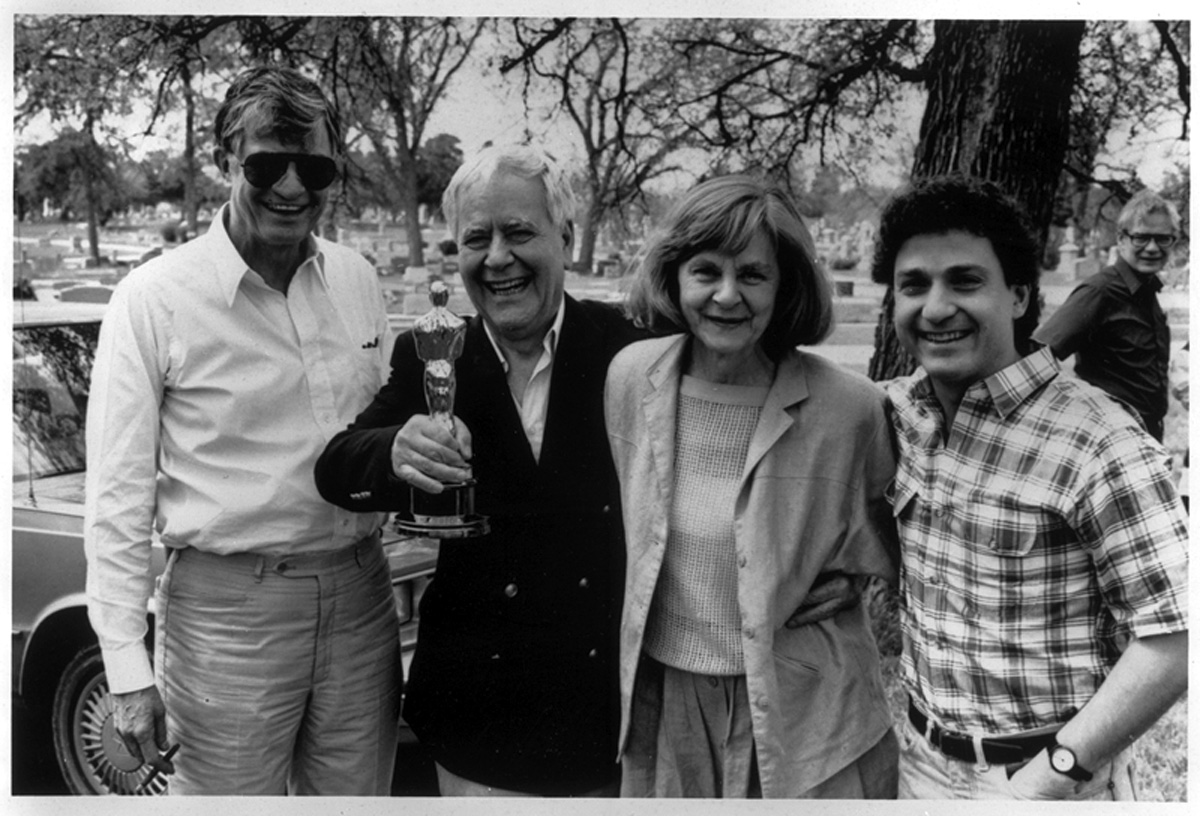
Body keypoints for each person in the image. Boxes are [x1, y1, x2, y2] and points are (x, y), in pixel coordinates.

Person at [314, 147, 859, 797]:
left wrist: (821, 557)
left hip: (605, 719)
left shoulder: (635, 344)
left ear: (566, 239)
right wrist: (394, 450)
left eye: (519, 233)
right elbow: (336, 468)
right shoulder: (433, 352)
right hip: (476, 721)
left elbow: (768, 428)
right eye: (476, 239)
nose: (497, 259)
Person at [84, 66, 401, 795]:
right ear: (227, 161)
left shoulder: (358, 279)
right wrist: (128, 672)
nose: (292, 188)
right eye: (267, 164)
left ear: (336, 172)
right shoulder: (155, 300)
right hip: (229, 618)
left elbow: (380, 434)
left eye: (314, 166)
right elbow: (117, 497)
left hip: (362, 599)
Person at [872, 176, 1188, 801]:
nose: (935, 308)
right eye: (914, 285)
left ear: (1018, 296)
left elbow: (1177, 636)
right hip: (917, 763)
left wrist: (1055, 773)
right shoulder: (900, 412)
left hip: (1042, 779)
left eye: (965, 281)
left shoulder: (1101, 440)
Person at [604, 175, 899, 798]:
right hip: (670, 702)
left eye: (753, 275)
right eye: (706, 271)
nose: (727, 296)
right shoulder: (630, 379)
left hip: (809, 710)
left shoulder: (850, 408)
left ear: (784, 282)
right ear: (675, 277)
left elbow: (904, 535)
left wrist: (855, 571)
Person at [1032, 190, 1182, 441]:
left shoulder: (1147, 291)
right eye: (1141, 238)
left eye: (1163, 239)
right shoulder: (1100, 292)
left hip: (1147, 438)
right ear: (1122, 239)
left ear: (1173, 242)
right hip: (1108, 441)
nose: (1152, 248)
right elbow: (1035, 356)